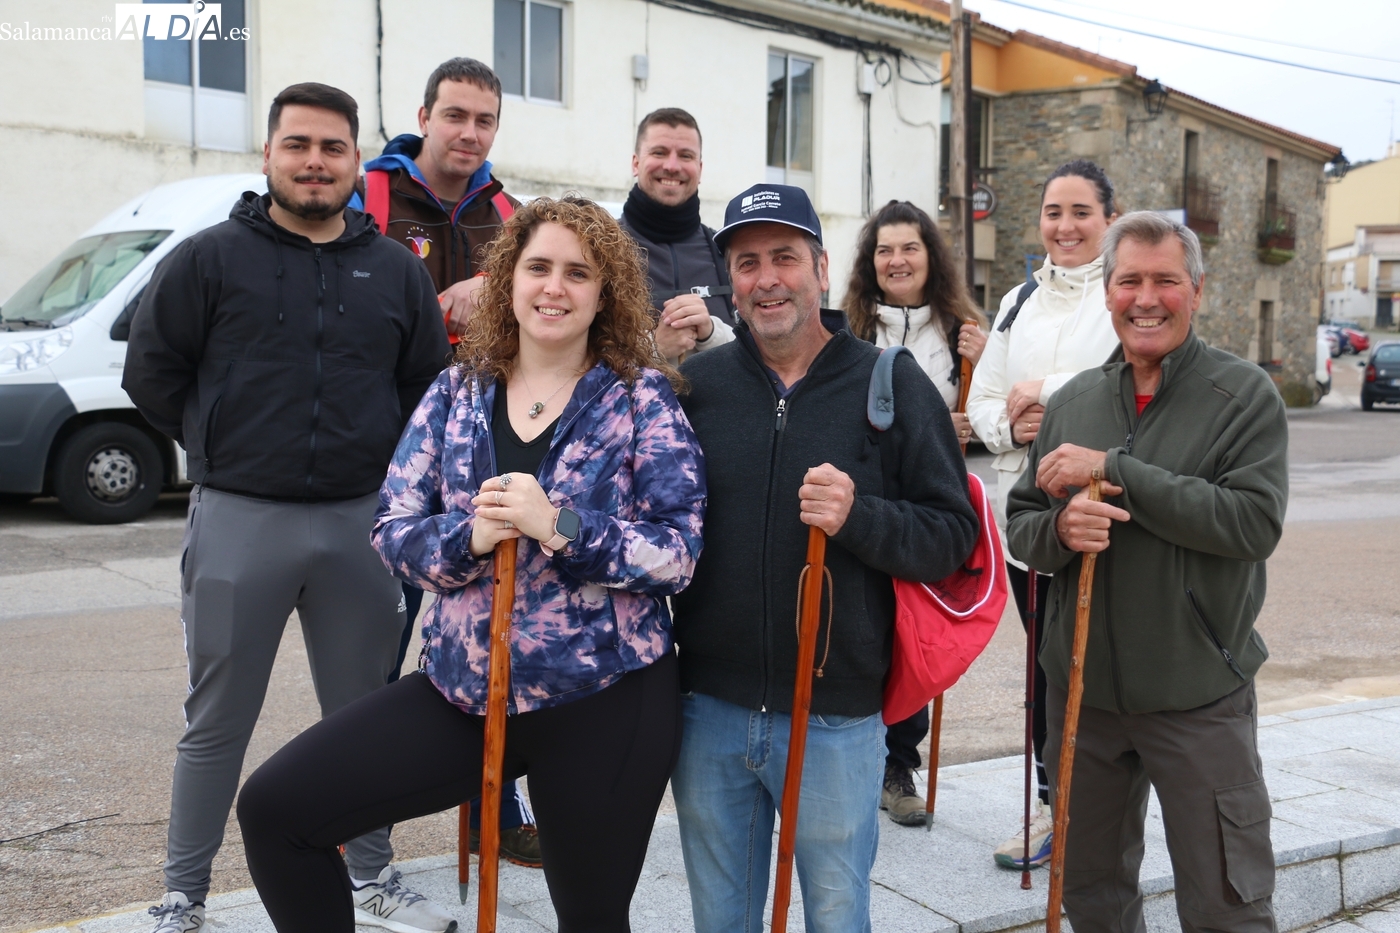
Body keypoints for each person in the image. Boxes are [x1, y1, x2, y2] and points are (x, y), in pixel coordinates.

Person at [235, 196, 708, 933]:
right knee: (276, 809)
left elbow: (677, 553)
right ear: (508, 280)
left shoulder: (640, 396)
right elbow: (392, 529)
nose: (554, 288)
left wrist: (560, 527)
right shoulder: (458, 390)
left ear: (605, 293)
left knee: (590, 916)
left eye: (578, 273)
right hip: (463, 689)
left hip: (605, 696)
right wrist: (470, 537)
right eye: (538, 267)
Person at [122, 84, 455, 933]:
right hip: (240, 517)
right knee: (217, 717)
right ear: (268, 153)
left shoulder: (396, 271)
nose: (315, 161)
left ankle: (372, 877)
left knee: (362, 716)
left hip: (360, 522)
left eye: (332, 147)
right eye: (298, 144)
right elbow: (152, 372)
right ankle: (183, 894)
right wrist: (221, 443)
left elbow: (424, 393)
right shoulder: (208, 258)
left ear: (356, 161)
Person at [671, 183, 978, 933]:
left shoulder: (890, 381)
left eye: (784, 257)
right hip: (708, 710)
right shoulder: (695, 388)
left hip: (836, 717)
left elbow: (952, 535)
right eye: (747, 263)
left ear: (821, 267)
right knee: (720, 922)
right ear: (729, 281)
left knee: (838, 918)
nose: (766, 279)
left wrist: (859, 516)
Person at [1006, 210, 1287, 933]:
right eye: (1129, 280)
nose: (1146, 298)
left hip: (1198, 693)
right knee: (1091, 894)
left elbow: (1252, 523)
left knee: (1227, 903)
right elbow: (1024, 523)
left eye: (1166, 280)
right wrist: (1061, 530)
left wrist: (1116, 470)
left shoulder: (1243, 396)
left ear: (1197, 289)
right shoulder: (1074, 401)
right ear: (1108, 292)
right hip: (1083, 696)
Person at [349, 54, 540, 869]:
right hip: (393, 467)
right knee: (377, 658)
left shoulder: (512, 214)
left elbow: (543, 310)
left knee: (496, 646)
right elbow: (339, 306)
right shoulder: (369, 196)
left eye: (484, 119)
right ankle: (356, 823)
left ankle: (494, 810)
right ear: (424, 116)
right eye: (455, 115)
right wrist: (425, 307)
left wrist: (496, 288)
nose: (469, 132)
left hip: (491, 464)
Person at [965, 158, 1121, 869]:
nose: (1066, 226)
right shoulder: (1018, 300)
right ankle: (1052, 807)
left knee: (1095, 669)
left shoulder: (1123, 293)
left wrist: (1047, 392)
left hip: (1099, 517)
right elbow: (984, 399)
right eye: (1054, 212)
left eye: (1081, 211)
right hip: (1027, 524)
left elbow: (1126, 380)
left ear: (1109, 219)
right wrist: (1012, 426)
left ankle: (1098, 811)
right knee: (1043, 673)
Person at [842, 199, 989, 826]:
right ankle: (854, 757)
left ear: (931, 258)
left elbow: (995, 418)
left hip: (926, 507)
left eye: (909, 248)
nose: (896, 260)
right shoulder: (848, 330)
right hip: (865, 500)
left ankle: (899, 765)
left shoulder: (962, 335)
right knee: (861, 628)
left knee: (915, 634)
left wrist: (972, 404)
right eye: (884, 250)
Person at [618, 107, 736, 361]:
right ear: (636, 163)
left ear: (700, 169)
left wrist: (712, 334)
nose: (672, 166)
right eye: (659, 152)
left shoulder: (727, 254)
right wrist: (652, 348)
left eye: (685, 156)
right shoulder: (598, 251)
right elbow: (570, 355)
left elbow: (760, 350)